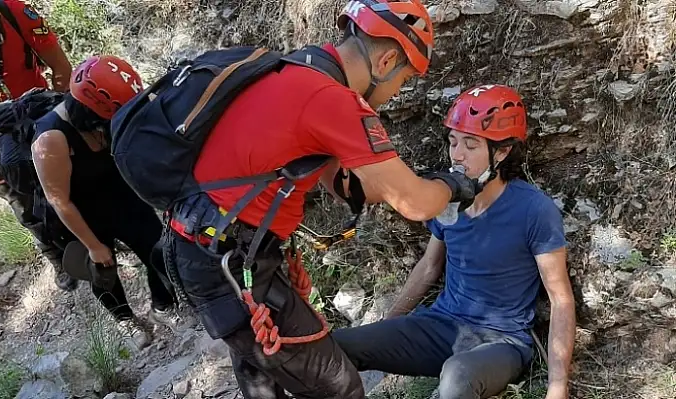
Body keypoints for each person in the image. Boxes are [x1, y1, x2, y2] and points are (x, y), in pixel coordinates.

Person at [162, 1, 483, 398]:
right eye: (401, 82)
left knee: (263, 375)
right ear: (385, 61)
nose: (394, 95)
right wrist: (450, 185)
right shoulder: (334, 100)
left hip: (207, 247)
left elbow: (340, 185)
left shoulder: (299, 68)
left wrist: (396, 183)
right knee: (340, 387)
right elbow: (415, 204)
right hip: (229, 263)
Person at [332, 84, 576, 399]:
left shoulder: (534, 210)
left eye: (471, 145)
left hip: (500, 342)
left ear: (501, 152)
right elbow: (429, 267)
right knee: (337, 345)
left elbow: (561, 299)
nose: (457, 155)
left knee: (457, 376)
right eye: (453, 142)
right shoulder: (445, 197)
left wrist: (558, 386)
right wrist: (388, 324)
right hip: (442, 325)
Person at [30, 55, 191, 349]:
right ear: (91, 111)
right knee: (102, 271)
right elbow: (59, 199)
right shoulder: (51, 138)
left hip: (120, 194)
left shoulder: (109, 115)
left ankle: (163, 306)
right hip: (79, 210)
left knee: (159, 248)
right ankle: (123, 319)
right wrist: (93, 245)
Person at [0, 0, 74, 290]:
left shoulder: (11, 12)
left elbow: (59, 65)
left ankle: (98, 231)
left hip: (35, 112)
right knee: (20, 200)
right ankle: (55, 253)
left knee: (70, 176)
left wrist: (64, 113)